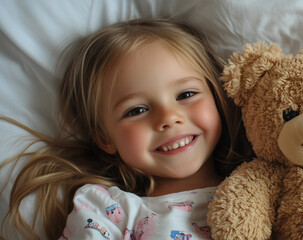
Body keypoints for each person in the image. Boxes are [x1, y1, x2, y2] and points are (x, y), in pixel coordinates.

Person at [0, 18, 253, 240]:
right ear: (103, 137)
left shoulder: (265, 190)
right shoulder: (106, 212)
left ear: (218, 94)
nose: (169, 117)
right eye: (137, 110)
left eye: (186, 94)